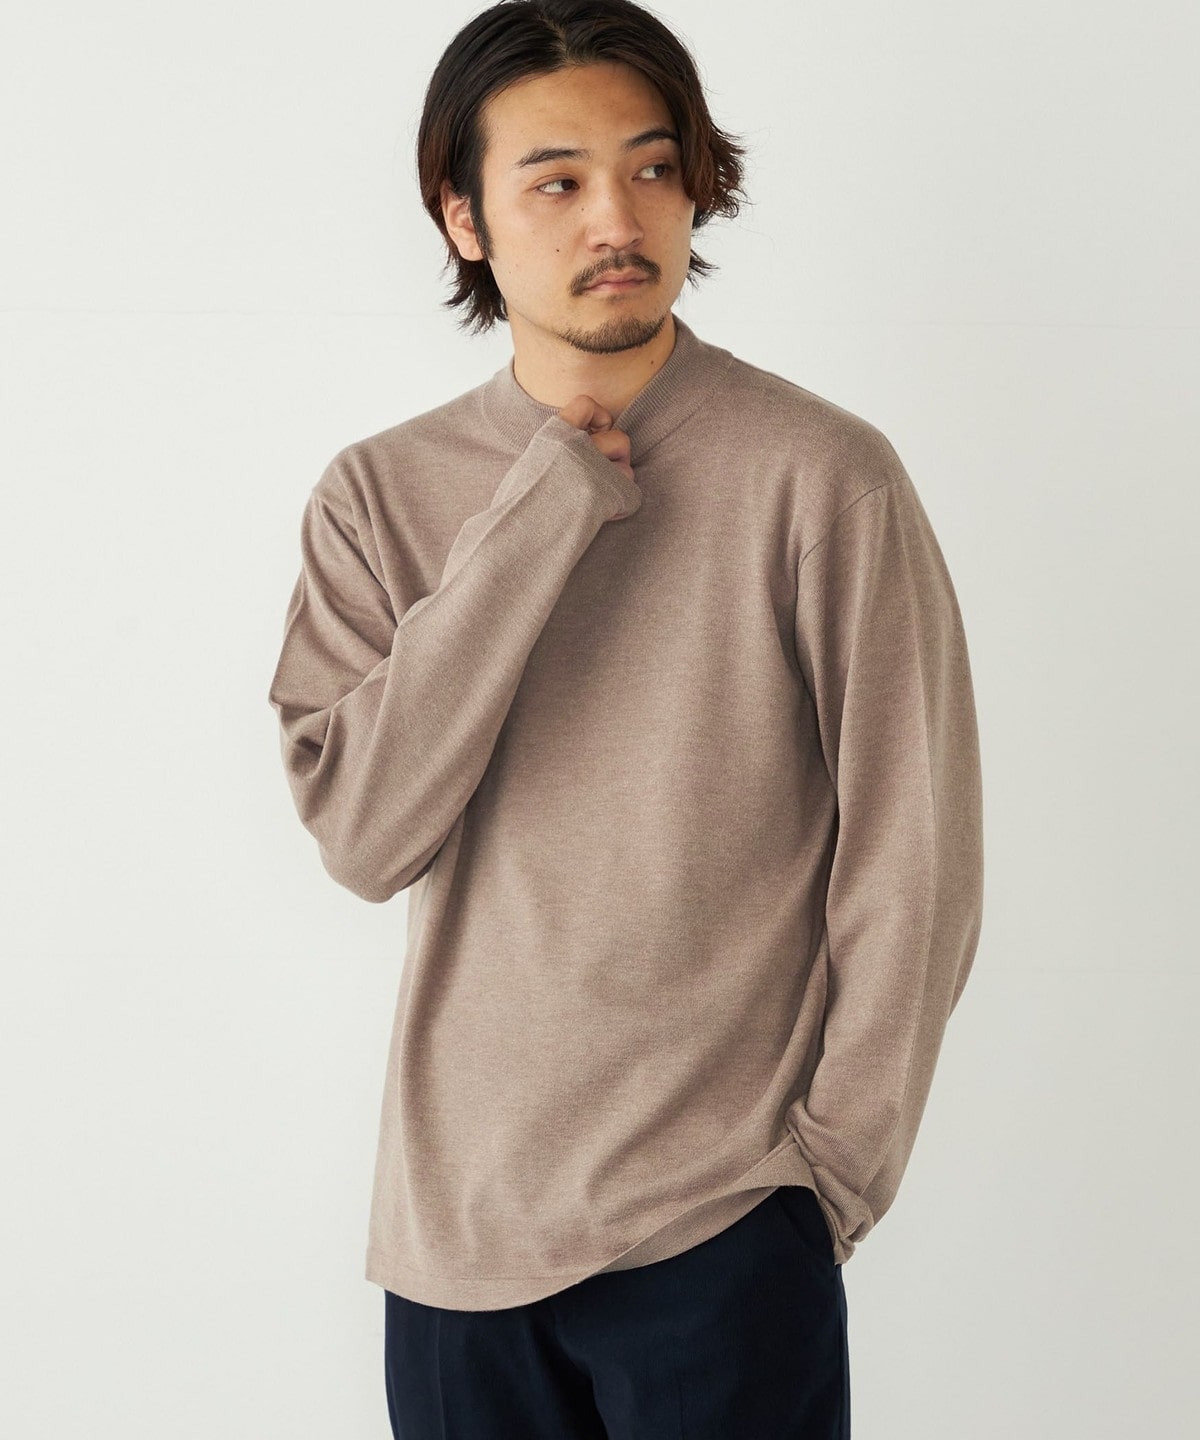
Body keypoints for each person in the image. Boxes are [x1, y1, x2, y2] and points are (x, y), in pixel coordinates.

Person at [265, 1, 985, 1434]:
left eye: (654, 169)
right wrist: (541, 513)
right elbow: (364, 836)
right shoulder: (377, 495)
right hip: (455, 1248)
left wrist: (825, 1179)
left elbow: (915, 859)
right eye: (557, 181)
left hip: (721, 1226)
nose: (619, 217)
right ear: (462, 215)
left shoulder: (821, 477)